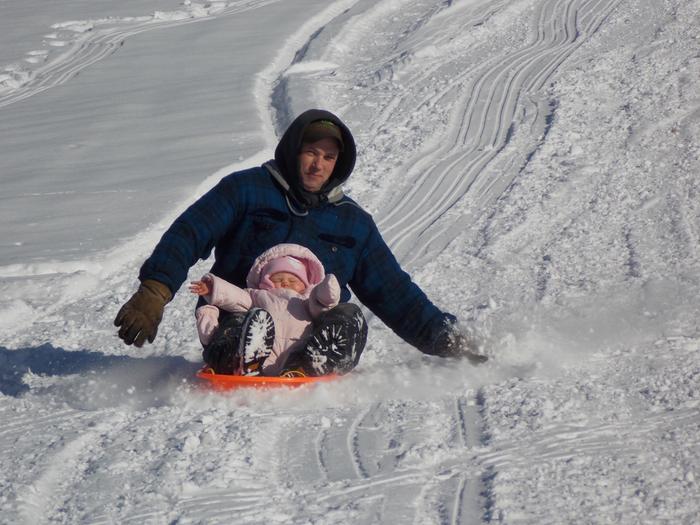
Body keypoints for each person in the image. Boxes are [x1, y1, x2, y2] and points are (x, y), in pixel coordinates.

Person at [114, 108, 486, 373]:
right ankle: (243, 357)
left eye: (327, 156)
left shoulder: (353, 224)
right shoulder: (246, 190)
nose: (317, 164)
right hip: (245, 321)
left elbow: (394, 292)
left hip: (313, 335)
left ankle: (311, 365)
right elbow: (191, 231)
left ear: (337, 163)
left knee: (349, 317)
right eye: (310, 152)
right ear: (293, 151)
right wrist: (155, 290)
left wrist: (447, 340)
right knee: (246, 322)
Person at [190, 243, 344, 377]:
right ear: (266, 281)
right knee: (258, 319)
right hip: (264, 350)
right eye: (278, 279)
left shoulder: (306, 301)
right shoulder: (258, 296)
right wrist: (214, 287)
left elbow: (322, 305)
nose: (285, 282)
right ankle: (251, 364)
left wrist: (327, 292)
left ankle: (302, 369)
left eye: (293, 280)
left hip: (297, 351)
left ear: (305, 284)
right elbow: (236, 297)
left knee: (311, 343)